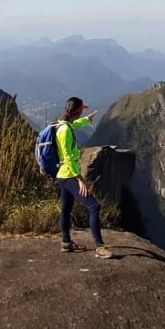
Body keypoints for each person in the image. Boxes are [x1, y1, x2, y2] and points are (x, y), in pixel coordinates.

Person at [55, 97, 114, 259]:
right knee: (94, 207)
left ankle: (66, 242)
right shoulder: (65, 130)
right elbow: (67, 156)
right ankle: (100, 248)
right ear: (78, 110)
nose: (83, 111)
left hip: (62, 175)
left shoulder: (64, 124)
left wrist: (88, 119)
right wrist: (80, 179)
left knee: (66, 209)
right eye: (82, 109)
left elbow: (76, 123)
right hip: (68, 175)